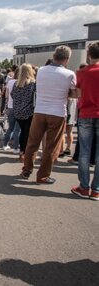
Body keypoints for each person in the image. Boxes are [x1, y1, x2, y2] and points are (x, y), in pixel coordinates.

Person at [21, 46, 77, 184]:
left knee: (32, 143)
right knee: (51, 146)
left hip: (39, 110)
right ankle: (43, 175)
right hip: (57, 112)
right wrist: (65, 93)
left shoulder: (41, 70)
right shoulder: (69, 74)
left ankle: (26, 169)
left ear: (54, 56)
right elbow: (75, 94)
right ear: (67, 59)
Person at [71, 42, 99, 200]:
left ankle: (84, 187)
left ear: (89, 54)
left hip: (86, 113)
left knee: (84, 152)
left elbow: (76, 94)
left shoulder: (82, 72)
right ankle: (96, 190)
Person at [11, 64, 36, 163]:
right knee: (27, 133)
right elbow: (34, 98)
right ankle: (25, 153)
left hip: (17, 112)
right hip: (29, 112)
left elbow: (12, 95)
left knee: (22, 132)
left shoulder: (16, 84)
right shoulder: (33, 83)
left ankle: (22, 152)